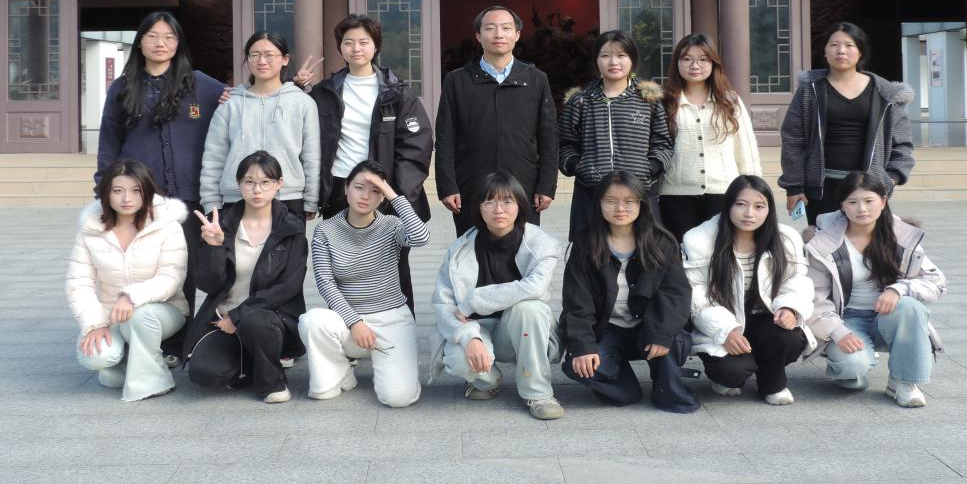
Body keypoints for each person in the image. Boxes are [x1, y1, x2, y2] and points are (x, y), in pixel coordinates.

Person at [95, 11, 223, 361]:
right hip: (141, 200)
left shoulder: (202, 85)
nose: (160, 44)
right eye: (152, 36)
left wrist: (295, 84)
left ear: (178, 43)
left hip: (189, 199)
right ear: (140, 43)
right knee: (145, 268)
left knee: (184, 270)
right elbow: (109, 141)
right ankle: (144, 336)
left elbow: (246, 97)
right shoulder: (123, 87)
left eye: (168, 37)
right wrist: (104, 190)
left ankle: (179, 343)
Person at [304, 15, 433, 311]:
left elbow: (417, 144)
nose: (356, 48)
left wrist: (396, 193)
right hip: (341, 189)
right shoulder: (325, 92)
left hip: (384, 190)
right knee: (341, 264)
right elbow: (301, 130)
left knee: (394, 264)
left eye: (364, 42)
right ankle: (346, 327)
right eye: (348, 42)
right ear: (340, 47)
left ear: (376, 46)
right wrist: (295, 86)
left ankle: (400, 325)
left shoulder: (396, 92)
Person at [559, 170, 698, 414]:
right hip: (607, 329)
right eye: (611, 201)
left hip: (648, 326)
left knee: (674, 339)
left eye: (629, 201)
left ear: (642, 204)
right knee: (581, 365)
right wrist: (583, 346)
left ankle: (667, 387)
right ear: (599, 203)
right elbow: (577, 302)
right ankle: (622, 379)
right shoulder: (585, 244)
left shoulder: (662, 242)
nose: (620, 208)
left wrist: (661, 334)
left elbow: (676, 294)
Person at [805, 171, 946, 408]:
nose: (862, 209)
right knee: (851, 368)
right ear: (842, 206)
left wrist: (898, 289)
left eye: (869, 200)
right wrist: (837, 332)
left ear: (883, 201)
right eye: (852, 202)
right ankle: (849, 371)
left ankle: (904, 383)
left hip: (889, 315)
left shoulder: (902, 237)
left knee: (909, 306)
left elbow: (937, 282)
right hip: (846, 318)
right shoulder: (824, 242)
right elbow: (814, 295)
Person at [431, 171, 565, 420]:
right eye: (489, 202)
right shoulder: (460, 249)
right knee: (458, 359)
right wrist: (469, 337)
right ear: (479, 207)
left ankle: (538, 393)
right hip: (477, 329)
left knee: (530, 307)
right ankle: (487, 380)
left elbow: (534, 288)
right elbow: (443, 304)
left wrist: (474, 300)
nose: (498, 209)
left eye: (507, 201)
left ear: (520, 204)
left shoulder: (541, 244)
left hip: (521, 332)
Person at [299, 160, 430, 407]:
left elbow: (421, 237)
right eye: (359, 187)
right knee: (312, 321)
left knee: (398, 398)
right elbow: (325, 283)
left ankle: (389, 367)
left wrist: (393, 194)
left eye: (375, 191)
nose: (365, 196)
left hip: (392, 318)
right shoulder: (325, 230)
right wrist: (355, 322)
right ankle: (340, 374)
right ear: (346, 187)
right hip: (349, 321)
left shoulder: (391, 225)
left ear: (382, 197)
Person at [183, 151, 307, 403]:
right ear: (239, 184)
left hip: (271, 320)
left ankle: (272, 382)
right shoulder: (222, 225)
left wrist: (238, 316)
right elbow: (208, 284)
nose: (257, 190)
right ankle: (249, 364)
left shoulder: (292, 228)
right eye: (249, 182)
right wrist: (214, 247)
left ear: (279, 183)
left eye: (265, 182)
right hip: (224, 320)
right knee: (204, 374)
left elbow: (288, 287)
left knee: (256, 321)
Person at [682, 175, 814, 405]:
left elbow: (797, 280)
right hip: (724, 318)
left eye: (759, 206)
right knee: (731, 372)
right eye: (741, 204)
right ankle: (727, 375)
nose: (749, 213)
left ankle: (771, 381)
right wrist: (725, 331)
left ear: (769, 209)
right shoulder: (699, 239)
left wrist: (790, 308)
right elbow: (698, 297)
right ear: (728, 205)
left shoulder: (785, 238)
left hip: (765, 317)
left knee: (790, 339)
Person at [66, 159, 188, 402]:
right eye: (118, 190)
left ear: (147, 191)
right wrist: (95, 324)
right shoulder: (91, 230)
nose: (126, 198)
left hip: (162, 310)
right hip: (110, 313)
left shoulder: (167, 226)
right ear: (106, 193)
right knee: (98, 358)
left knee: (139, 316)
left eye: (135, 190)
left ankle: (152, 382)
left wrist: (131, 296)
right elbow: (79, 283)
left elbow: (171, 278)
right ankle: (130, 363)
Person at [435, 4, 558, 236]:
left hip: (523, 184)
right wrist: (447, 186)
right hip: (472, 184)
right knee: (472, 250)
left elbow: (548, 138)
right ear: (478, 36)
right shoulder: (457, 81)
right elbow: (445, 137)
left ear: (517, 35)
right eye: (490, 28)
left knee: (521, 249)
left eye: (506, 28)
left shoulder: (535, 79)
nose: (499, 34)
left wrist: (547, 185)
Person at [780, 21, 915, 228]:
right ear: (825, 51)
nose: (841, 50)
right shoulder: (810, 90)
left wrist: (889, 179)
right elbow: (793, 139)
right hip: (821, 188)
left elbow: (903, 143)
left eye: (849, 45)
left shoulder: (885, 93)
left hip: (869, 188)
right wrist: (794, 186)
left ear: (861, 52)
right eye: (834, 45)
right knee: (825, 242)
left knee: (867, 243)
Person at [559, 30, 673, 241]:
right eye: (605, 55)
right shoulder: (581, 101)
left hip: (639, 193)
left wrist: (650, 167)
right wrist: (578, 165)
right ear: (596, 60)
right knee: (589, 253)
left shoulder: (648, 100)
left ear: (632, 60)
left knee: (644, 251)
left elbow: (663, 143)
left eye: (621, 55)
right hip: (591, 193)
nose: (614, 62)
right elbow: (565, 144)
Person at [200, 31, 320, 222]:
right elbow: (214, 158)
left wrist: (311, 199)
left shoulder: (303, 103)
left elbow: (311, 156)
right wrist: (211, 202)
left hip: (287, 196)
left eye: (269, 55)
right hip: (236, 197)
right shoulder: (230, 104)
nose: (261, 61)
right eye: (254, 55)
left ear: (285, 59)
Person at [660, 34, 762, 241]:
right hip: (676, 195)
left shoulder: (729, 100)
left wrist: (753, 190)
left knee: (722, 251)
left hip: (725, 192)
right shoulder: (665, 101)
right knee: (681, 253)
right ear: (677, 63)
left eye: (703, 59)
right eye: (687, 59)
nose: (695, 65)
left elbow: (746, 149)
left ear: (713, 63)